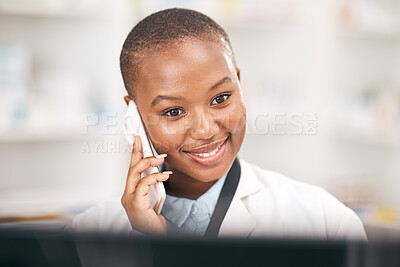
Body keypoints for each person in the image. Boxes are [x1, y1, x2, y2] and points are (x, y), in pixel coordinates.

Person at [70, 8, 367, 240]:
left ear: (239, 82)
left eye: (220, 98)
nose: (205, 130)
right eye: (173, 112)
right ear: (133, 115)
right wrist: (150, 244)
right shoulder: (88, 232)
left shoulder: (324, 220)